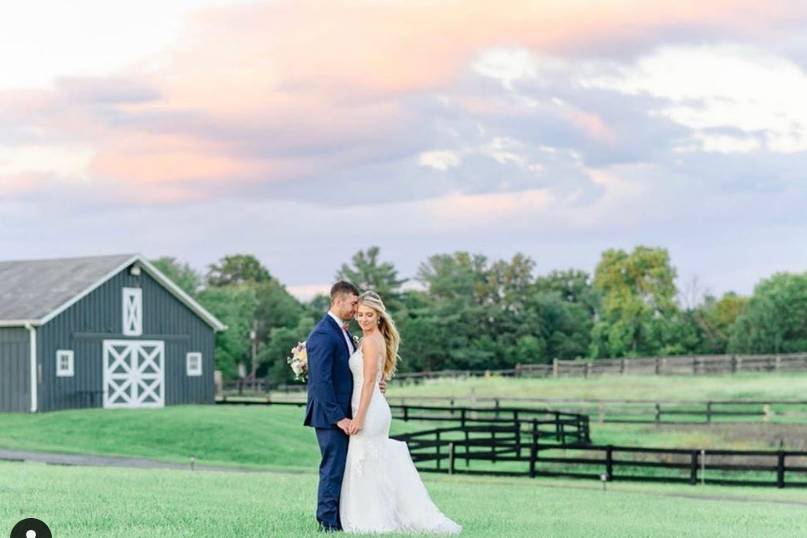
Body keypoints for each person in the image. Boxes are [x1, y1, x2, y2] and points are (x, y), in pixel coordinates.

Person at [339, 290, 462, 534]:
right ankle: (373, 515)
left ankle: (373, 520)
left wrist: (359, 418)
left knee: (367, 462)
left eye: (369, 315)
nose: (363, 319)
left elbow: (370, 382)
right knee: (369, 463)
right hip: (369, 404)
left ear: (379, 317)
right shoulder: (366, 339)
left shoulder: (373, 341)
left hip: (369, 410)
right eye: (360, 314)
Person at [304, 281, 386, 532]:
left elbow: (350, 372)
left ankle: (341, 519)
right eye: (353, 304)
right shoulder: (323, 334)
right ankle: (327, 523)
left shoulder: (344, 332)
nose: (356, 309)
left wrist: (373, 385)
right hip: (330, 417)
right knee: (333, 466)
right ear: (338, 301)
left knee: (345, 467)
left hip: (348, 412)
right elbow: (321, 381)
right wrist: (339, 418)